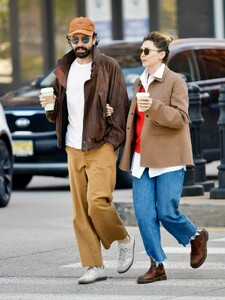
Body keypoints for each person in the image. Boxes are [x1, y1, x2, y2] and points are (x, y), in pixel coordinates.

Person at [39, 16, 135, 284]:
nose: (80, 43)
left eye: (85, 38)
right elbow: (57, 113)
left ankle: (123, 239)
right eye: (75, 39)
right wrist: (49, 108)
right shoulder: (63, 70)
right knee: (80, 212)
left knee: (97, 202)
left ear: (94, 39)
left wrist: (112, 142)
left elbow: (120, 108)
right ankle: (94, 265)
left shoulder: (108, 67)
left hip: (100, 144)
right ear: (69, 41)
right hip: (73, 146)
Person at [118, 31, 209, 284]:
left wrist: (153, 108)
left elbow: (181, 118)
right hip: (141, 156)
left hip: (169, 157)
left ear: (161, 54)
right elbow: (134, 120)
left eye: (147, 51)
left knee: (167, 212)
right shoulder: (139, 81)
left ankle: (195, 236)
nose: (142, 55)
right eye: (141, 51)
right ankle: (156, 265)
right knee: (145, 214)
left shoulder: (175, 81)